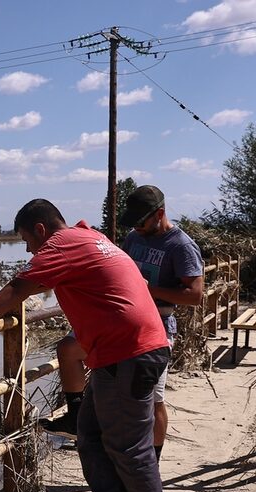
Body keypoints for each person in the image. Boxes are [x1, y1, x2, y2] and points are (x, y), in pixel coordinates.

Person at [0, 199, 171, 492]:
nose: (28, 250)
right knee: (92, 435)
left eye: (26, 240)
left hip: (128, 354)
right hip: (126, 352)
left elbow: (17, 290)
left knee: (130, 448)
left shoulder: (61, 245)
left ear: (40, 229)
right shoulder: (90, 237)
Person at [39, 186, 204, 463]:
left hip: (156, 330)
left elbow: (195, 295)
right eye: (133, 223)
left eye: (141, 222)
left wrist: (147, 289)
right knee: (68, 349)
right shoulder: (133, 238)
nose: (136, 229)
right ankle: (76, 417)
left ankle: (152, 461)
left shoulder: (180, 245)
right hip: (116, 325)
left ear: (160, 214)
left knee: (153, 402)